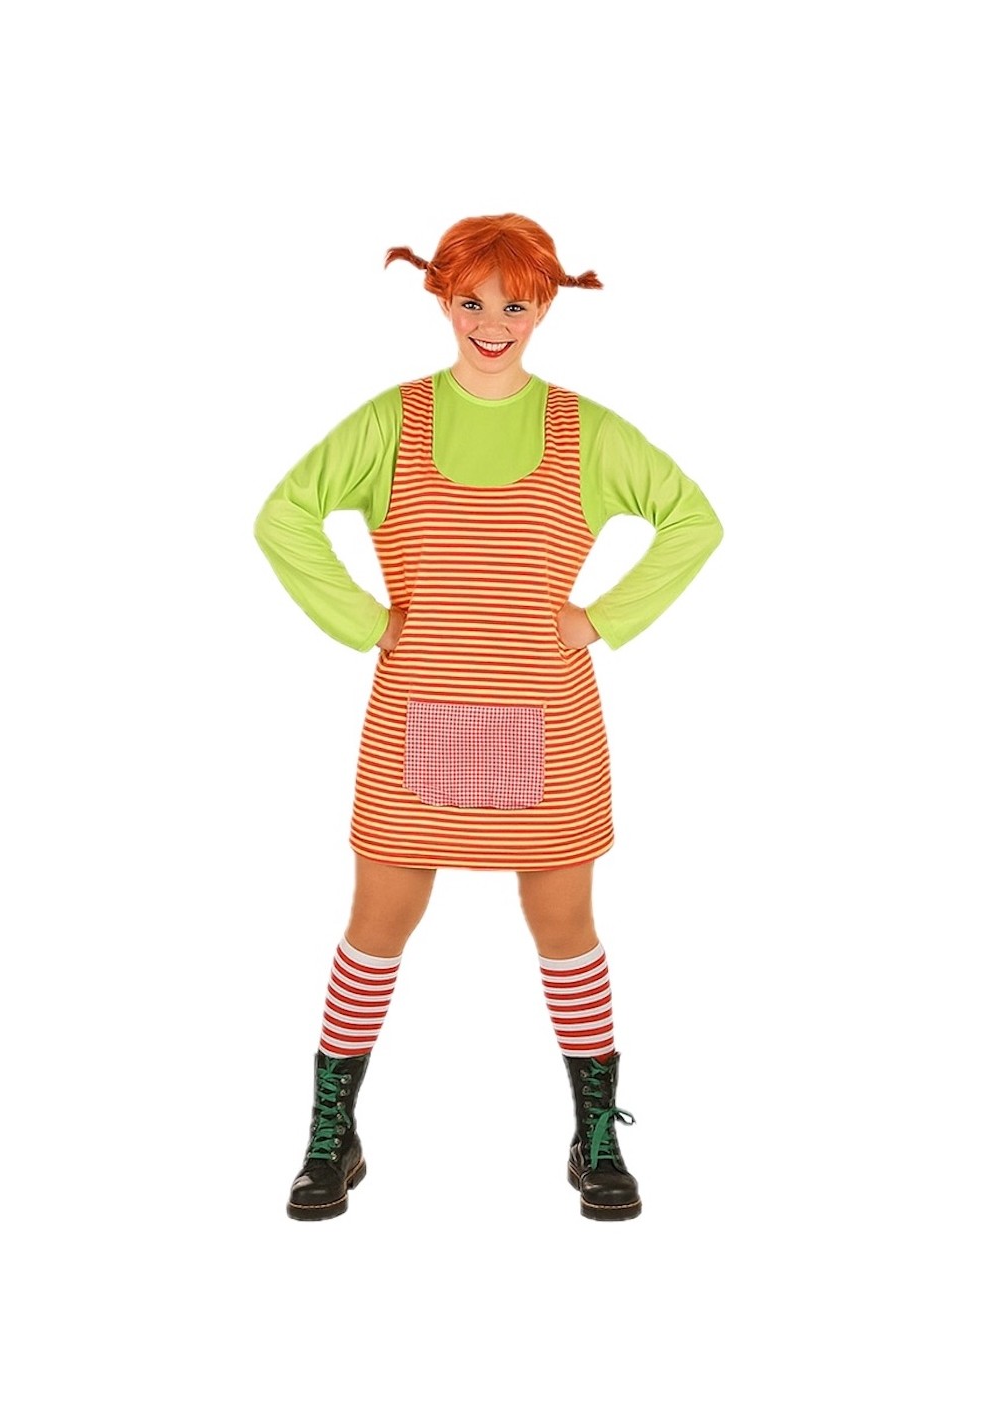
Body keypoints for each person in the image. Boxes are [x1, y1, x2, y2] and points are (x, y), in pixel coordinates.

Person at [254, 213, 723, 1222]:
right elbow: (283, 515)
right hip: (413, 715)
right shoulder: (393, 421)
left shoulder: (583, 431)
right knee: (374, 928)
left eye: (515, 303)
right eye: (471, 301)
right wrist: (363, 621)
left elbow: (693, 519)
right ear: (442, 300)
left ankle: (595, 1136)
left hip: (548, 721)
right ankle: (332, 1134)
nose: (492, 322)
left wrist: (600, 619)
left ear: (545, 305)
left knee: (566, 930)